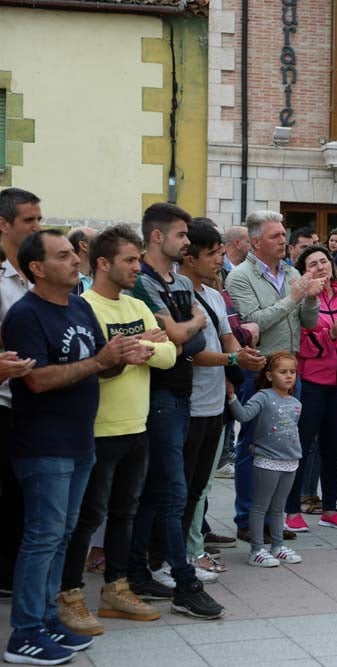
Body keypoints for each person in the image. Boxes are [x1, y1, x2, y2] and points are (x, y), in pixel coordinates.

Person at [1, 229, 152, 665]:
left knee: (63, 536)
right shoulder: (26, 316)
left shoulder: (79, 307)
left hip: (80, 440)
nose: (75, 260)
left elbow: (92, 367)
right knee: (42, 538)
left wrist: (118, 359)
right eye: (64, 255)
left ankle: (47, 619)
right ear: (37, 268)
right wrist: (101, 361)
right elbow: (36, 379)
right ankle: (24, 634)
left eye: (73, 254)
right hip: (44, 445)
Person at [57, 226, 176, 637]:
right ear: (103, 263)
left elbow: (168, 355)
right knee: (88, 517)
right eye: (129, 260)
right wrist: (133, 350)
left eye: (138, 259)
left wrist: (131, 349)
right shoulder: (82, 308)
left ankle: (116, 588)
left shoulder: (136, 306)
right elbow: (93, 369)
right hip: (98, 429)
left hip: (136, 426)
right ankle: (70, 594)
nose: (137, 267)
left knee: (125, 512)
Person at [125, 203, 225, 620]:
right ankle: (185, 581)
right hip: (160, 395)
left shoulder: (179, 281)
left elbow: (190, 341)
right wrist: (188, 329)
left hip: (182, 392)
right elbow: (178, 335)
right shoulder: (144, 282)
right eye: (182, 235)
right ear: (157, 236)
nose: (187, 243)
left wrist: (186, 332)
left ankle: (136, 571)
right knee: (172, 489)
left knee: (157, 490)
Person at [226, 210, 323, 542]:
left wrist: (310, 298)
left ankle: (271, 518)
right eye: (275, 236)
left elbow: (308, 323)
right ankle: (246, 519)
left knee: (282, 447)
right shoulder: (240, 276)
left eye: (284, 234)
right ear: (255, 242)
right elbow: (253, 323)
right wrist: (293, 297)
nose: (283, 240)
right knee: (253, 447)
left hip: (289, 372)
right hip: (259, 372)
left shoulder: (292, 271)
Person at [180, 220, 265, 575]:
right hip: (189, 402)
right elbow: (192, 351)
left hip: (216, 400)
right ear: (189, 256)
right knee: (183, 485)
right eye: (213, 253)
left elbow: (228, 338)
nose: (220, 260)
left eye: (219, 252)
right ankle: (182, 553)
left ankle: (194, 547)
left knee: (202, 485)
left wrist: (242, 355)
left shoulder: (214, 295)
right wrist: (234, 359)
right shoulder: (180, 295)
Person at [283, 245, 337, 533]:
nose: (321, 267)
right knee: (302, 445)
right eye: (313, 264)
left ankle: (330, 508)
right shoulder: (300, 299)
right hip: (312, 384)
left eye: (324, 261)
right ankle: (291, 508)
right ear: (304, 270)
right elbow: (301, 342)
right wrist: (331, 334)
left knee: (334, 448)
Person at [0, 187, 42, 601]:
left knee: (24, 496)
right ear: (4, 224)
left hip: (41, 403)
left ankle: (15, 573)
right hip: (5, 400)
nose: (36, 227)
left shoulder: (39, 272)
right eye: (28, 220)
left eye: (38, 219)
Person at [227, 352, 305, 567]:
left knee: (279, 508)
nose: (289, 376)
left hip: (290, 461)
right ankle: (257, 550)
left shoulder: (296, 402)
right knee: (260, 506)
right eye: (283, 372)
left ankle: (277, 546)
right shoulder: (263, 396)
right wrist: (232, 397)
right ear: (270, 376)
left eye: (293, 372)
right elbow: (244, 416)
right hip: (267, 460)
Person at [67, 227, 96, 295]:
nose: (104, 245)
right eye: (98, 241)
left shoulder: (102, 278)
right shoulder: (64, 282)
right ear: (84, 246)